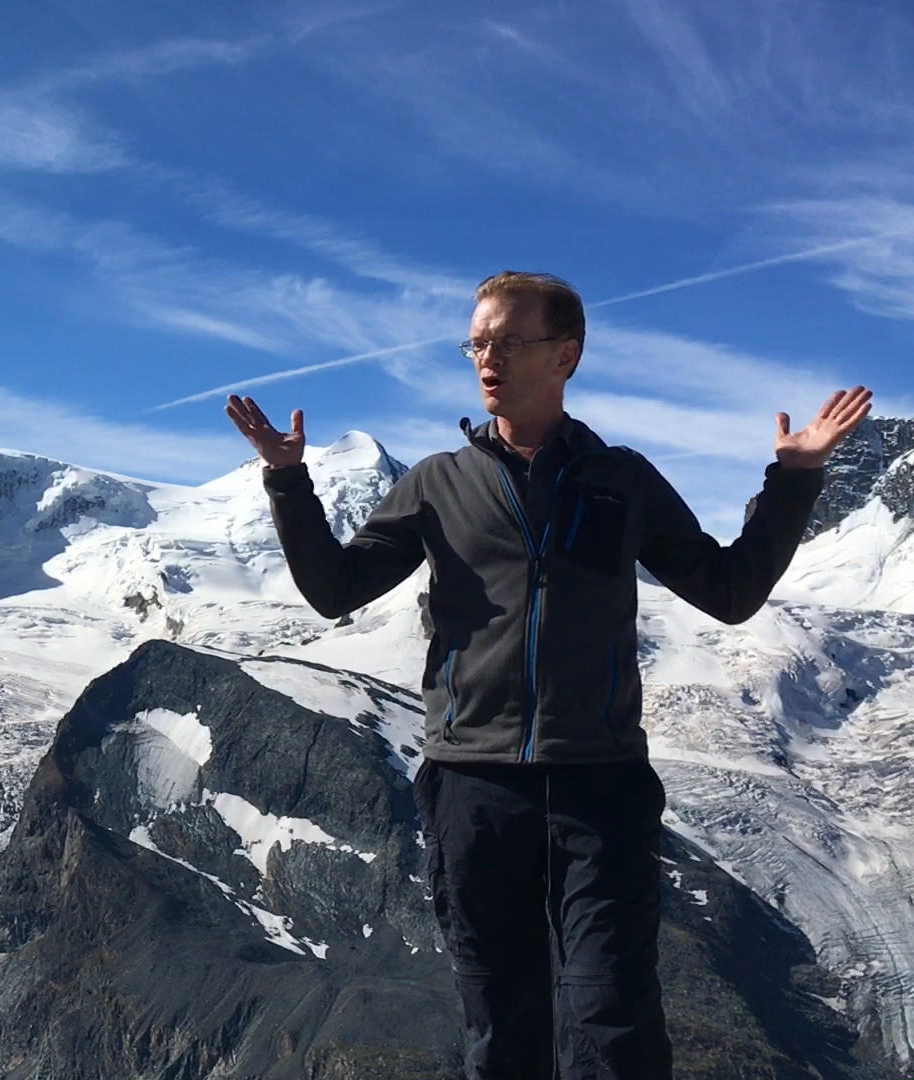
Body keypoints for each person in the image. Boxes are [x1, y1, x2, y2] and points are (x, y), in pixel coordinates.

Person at [225, 270, 873, 1080]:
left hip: (601, 785)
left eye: (508, 341)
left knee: (615, 1019)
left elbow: (730, 592)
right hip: (473, 788)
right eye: (476, 344)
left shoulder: (622, 479)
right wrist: (288, 481)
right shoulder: (437, 482)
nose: (486, 359)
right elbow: (333, 590)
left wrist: (795, 478)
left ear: (565, 355)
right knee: (501, 1023)